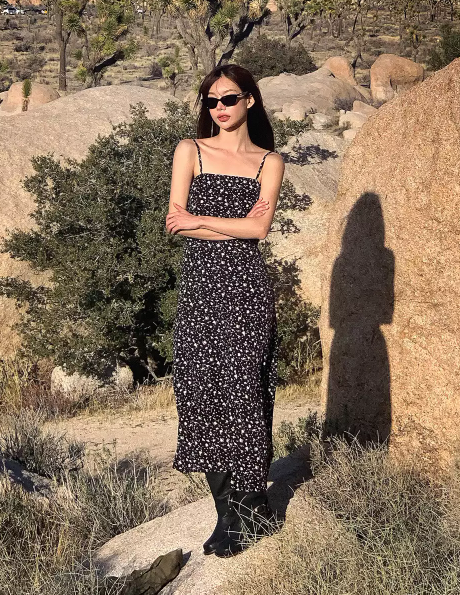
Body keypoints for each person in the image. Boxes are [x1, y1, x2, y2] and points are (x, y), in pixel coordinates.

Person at [165, 64, 285, 558]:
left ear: (250, 100)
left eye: (229, 99)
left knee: (243, 392)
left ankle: (251, 509)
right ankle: (226, 514)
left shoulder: (269, 161)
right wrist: (230, 223)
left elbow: (259, 231)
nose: (219, 108)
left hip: (247, 292)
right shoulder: (189, 151)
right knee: (199, 391)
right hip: (200, 290)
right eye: (211, 100)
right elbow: (174, 223)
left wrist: (201, 219)